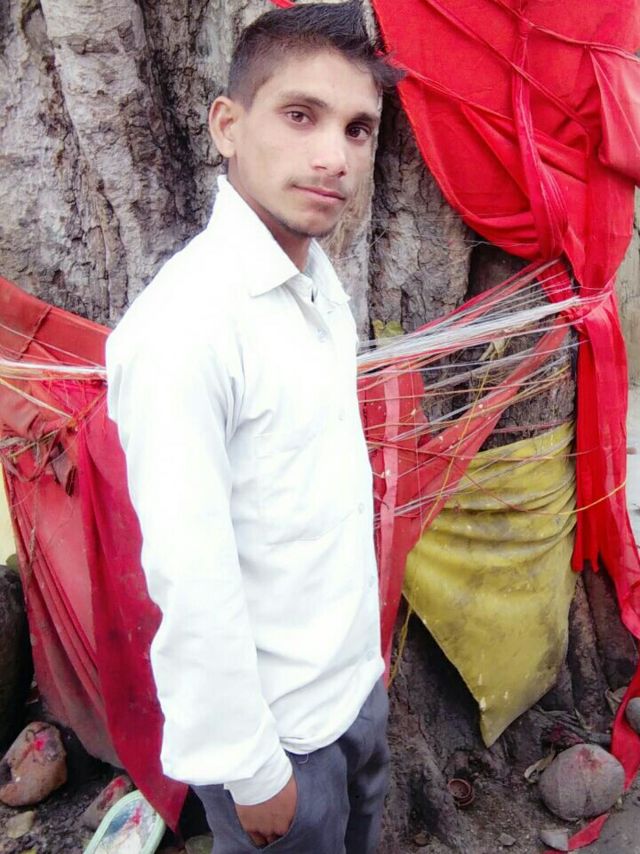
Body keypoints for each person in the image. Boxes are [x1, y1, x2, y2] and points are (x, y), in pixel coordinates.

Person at [106, 3, 401, 851]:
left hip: (353, 695)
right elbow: (190, 577)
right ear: (227, 127)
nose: (333, 156)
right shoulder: (185, 329)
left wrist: (366, 679)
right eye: (301, 115)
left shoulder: (318, 287)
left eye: (356, 129)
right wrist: (251, 768)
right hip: (278, 746)